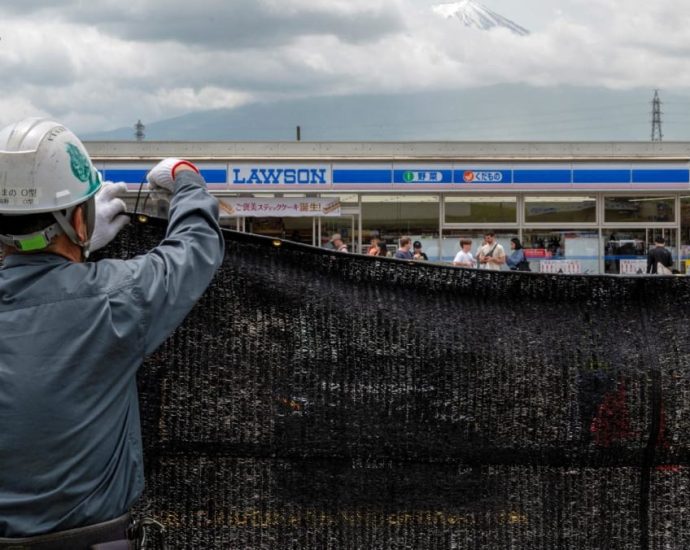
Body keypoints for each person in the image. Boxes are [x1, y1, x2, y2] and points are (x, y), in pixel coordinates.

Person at [0, 118, 224, 547]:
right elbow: (196, 248)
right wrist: (186, 179)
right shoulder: (115, 300)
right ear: (79, 222)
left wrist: (75, 247)